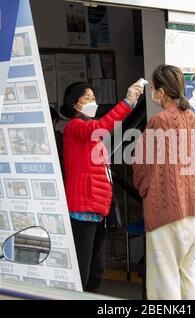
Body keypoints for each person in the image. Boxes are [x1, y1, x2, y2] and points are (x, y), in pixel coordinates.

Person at [61, 81, 144, 292]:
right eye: (87, 98)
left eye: (93, 98)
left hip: (96, 209)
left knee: (97, 269)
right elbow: (101, 126)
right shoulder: (75, 127)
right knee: (83, 270)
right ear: (74, 103)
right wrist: (127, 103)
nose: (93, 102)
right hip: (82, 209)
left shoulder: (89, 130)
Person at [133, 64, 195, 300]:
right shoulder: (191, 117)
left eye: (153, 88)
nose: (152, 91)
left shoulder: (157, 121)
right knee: (187, 275)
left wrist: (145, 190)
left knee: (165, 282)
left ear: (160, 92)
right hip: (190, 211)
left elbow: (141, 165)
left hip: (164, 211)